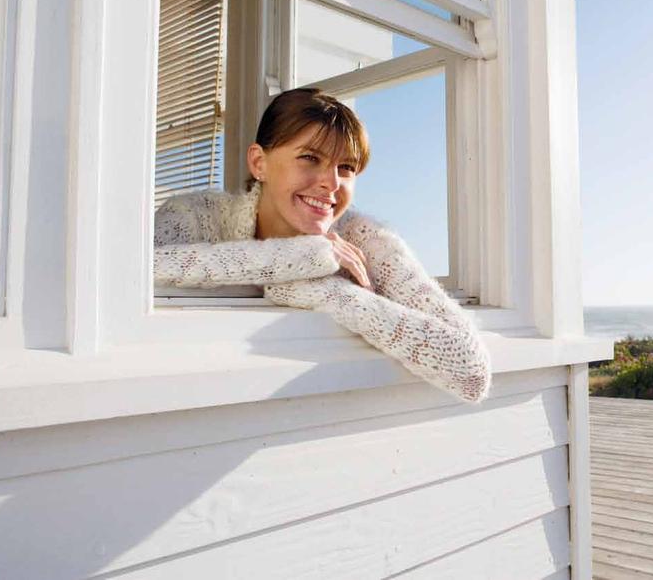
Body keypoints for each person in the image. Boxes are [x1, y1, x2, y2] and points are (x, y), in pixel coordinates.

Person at [153, 88, 492, 404]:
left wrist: (325, 292)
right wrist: (305, 257)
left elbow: (470, 369)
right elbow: (138, 270)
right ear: (259, 163)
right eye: (310, 158)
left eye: (346, 167)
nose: (332, 183)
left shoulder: (365, 239)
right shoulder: (196, 217)